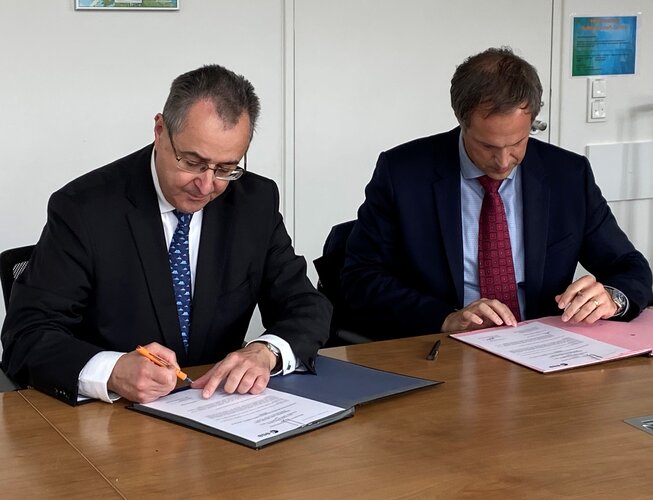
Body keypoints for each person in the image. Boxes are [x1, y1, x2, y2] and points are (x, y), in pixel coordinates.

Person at [1, 64, 331, 405]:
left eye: (226, 168)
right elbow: (26, 335)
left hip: (217, 412)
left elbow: (306, 306)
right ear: (160, 130)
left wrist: (267, 351)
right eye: (192, 161)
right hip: (110, 424)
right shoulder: (84, 208)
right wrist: (111, 370)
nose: (207, 185)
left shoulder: (254, 202)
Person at [342, 47, 652, 340]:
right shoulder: (404, 173)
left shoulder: (568, 175)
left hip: (542, 346)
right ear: (462, 121)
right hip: (445, 346)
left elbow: (630, 266)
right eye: (488, 146)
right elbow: (360, 278)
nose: (503, 162)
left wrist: (614, 297)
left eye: (518, 142)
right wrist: (446, 318)